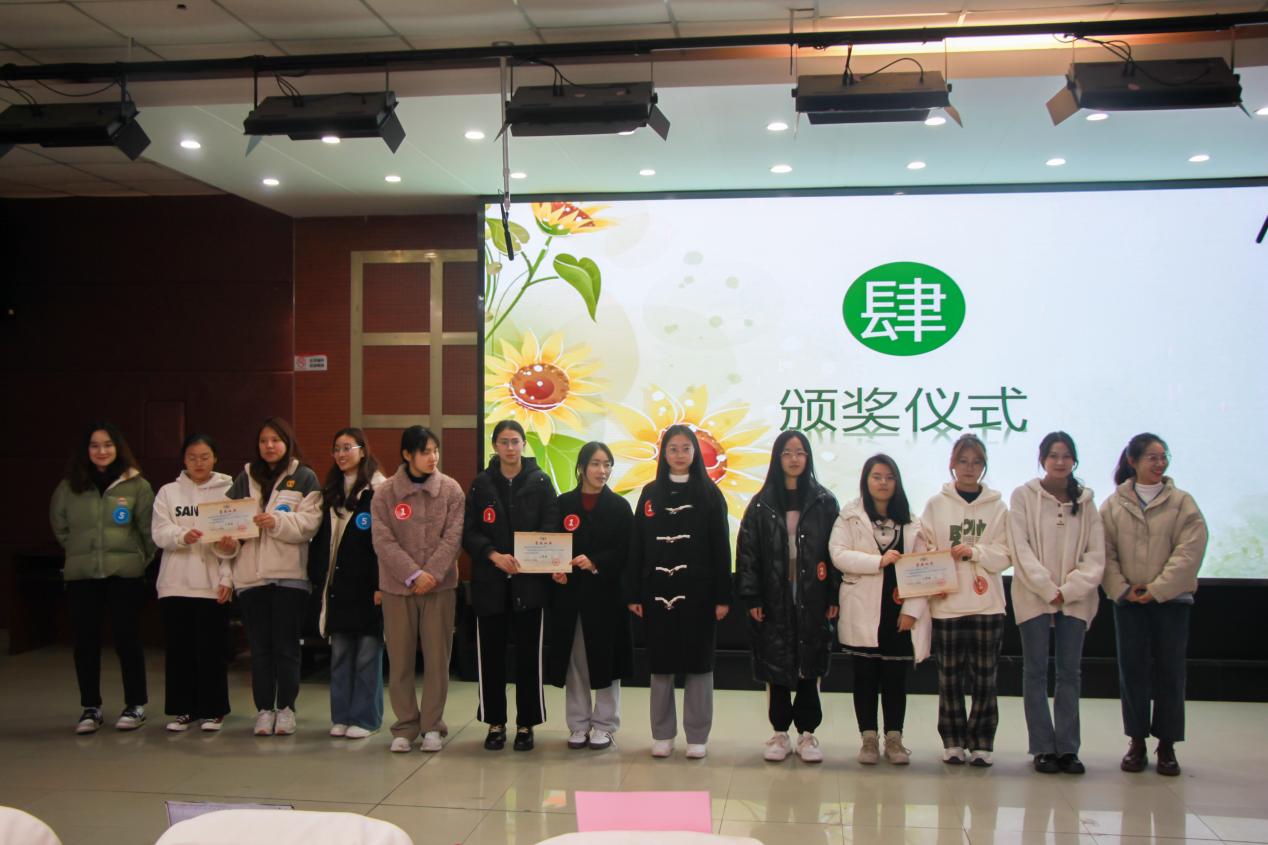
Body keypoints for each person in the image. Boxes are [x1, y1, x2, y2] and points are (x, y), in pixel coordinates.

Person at [1101, 432, 1207, 777]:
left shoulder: (1182, 503)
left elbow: (1190, 551)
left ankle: (1167, 745)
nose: (1159, 463)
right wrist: (1123, 589)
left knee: (1170, 672)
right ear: (1133, 461)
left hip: (1172, 602)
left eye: (1163, 457)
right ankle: (1136, 741)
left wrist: (1158, 589)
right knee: (1132, 672)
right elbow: (1104, 552)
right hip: (1129, 602)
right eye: (1152, 457)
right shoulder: (1113, 505)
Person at [625, 424, 732, 759]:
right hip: (657, 591)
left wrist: (723, 596)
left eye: (686, 448)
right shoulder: (650, 493)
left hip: (699, 592)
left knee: (699, 665)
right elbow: (637, 545)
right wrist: (634, 593)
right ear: (664, 453)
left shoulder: (710, 494)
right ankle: (662, 733)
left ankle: (697, 735)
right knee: (661, 664)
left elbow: (721, 548)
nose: (680, 454)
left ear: (695, 453)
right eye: (673, 448)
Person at [736, 431, 840, 764]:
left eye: (800, 452)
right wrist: (752, 597)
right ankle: (780, 732)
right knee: (776, 662)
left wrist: (834, 594)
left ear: (808, 458)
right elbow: (748, 553)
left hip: (813, 592)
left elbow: (837, 552)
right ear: (777, 458)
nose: (794, 459)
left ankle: (807, 734)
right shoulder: (761, 503)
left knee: (810, 661)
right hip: (774, 593)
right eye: (787, 453)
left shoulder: (824, 501)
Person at [50, 421, 157, 733]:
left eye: (108, 445)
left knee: (128, 641)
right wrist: (80, 552)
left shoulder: (136, 485)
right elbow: (61, 527)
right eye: (95, 445)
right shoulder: (69, 486)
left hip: (124, 575)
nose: (101, 451)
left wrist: (138, 560)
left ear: (118, 448)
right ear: (86, 451)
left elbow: (149, 531)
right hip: (83, 576)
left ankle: (135, 705)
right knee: (85, 644)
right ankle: (90, 708)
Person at [1008, 432, 1105, 775]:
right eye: (1053, 455)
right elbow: (1020, 548)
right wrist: (1048, 588)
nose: (1060, 462)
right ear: (1042, 459)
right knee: (1034, 671)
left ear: (1074, 460)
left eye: (1066, 456)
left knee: (1069, 673)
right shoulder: (1023, 496)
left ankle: (1068, 748)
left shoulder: (1087, 502)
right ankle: (1042, 748)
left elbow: (1096, 554)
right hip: (1034, 596)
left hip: (1075, 600)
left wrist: (1070, 590)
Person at [462, 420, 558, 752]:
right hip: (490, 584)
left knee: (529, 658)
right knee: (491, 658)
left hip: (529, 585)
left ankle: (527, 724)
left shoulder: (541, 481)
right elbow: (469, 531)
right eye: (504, 442)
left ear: (524, 445)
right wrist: (493, 555)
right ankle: (495, 723)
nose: (510, 448)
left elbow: (551, 525)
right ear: (494, 446)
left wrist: (531, 556)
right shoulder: (481, 484)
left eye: (515, 441)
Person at [829, 453, 930, 766]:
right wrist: (878, 561)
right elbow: (838, 554)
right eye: (877, 477)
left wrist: (912, 610)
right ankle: (868, 739)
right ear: (866, 480)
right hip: (863, 608)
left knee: (895, 679)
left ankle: (895, 739)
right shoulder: (850, 516)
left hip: (898, 611)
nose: (883, 483)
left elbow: (924, 569)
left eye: (889, 477)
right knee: (865, 678)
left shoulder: (912, 522)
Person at [224, 417, 322, 736]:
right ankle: (264, 710)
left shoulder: (304, 477)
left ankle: (287, 708)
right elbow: (226, 523)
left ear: (287, 443)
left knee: (286, 647)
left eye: (276, 440)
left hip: (290, 578)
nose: (269, 446)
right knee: (260, 649)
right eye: (264, 440)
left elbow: (310, 524)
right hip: (250, 578)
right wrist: (226, 542)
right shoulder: (244, 478)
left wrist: (276, 523)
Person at [920, 433, 1013, 767]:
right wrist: (935, 571)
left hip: (988, 605)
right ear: (952, 464)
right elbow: (924, 548)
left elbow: (1006, 554)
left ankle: (982, 743)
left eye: (976, 462)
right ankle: (953, 741)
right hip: (947, 604)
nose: (969, 468)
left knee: (985, 679)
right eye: (963, 461)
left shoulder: (998, 507)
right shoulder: (936, 504)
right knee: (949, 678)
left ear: (984, 466)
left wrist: (974, 552)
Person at [371, 426, 465, 753]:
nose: (432, 457)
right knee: (400, 660)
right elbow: (382, 540)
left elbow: (454, 537)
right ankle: (405, 726)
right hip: (397, 589)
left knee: (438, 660)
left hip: (439, 588)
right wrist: (412, 574)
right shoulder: (385, 493)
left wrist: (431, 574)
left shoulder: (451, 490)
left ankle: (432, 726)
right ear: (407, 455)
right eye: (425, 452)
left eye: (435, 451)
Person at [547, 442, 634, 752]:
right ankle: (578, 723)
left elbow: (627, 551)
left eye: (607, 464)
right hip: (570, 596)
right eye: (596, 464)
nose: (602, 470)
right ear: (582, 468)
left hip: (605, 596)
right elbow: (551, 544)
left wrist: (596, 562)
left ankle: (605, 725)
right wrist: (555, 570)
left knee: (607, 661)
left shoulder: (620, 507)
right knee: (575, 661)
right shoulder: (563, 504)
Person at [151, 433, 239, 732]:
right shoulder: (168, 492)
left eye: (204, 457)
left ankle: (214, 710)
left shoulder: (229, 491)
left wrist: (227, 576)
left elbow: (236, 540)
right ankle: (184, 709)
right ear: (183, 459)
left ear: (215, 458)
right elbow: (159, 532)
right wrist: (181, 536)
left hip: (211, 584)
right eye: (192, 457)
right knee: (180, 650)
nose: (198, 463)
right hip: (174, 583)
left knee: (212, 651)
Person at [309, 428, 387, 740]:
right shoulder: (330, 491)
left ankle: (366, 719)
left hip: (368, 587)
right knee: (340, 655)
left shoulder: (379, 490)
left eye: (348, 448)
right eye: (337, 449)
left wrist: (381, 584)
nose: (341, 454)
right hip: (337, 585)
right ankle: (341, 715)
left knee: (367, 656)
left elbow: (384, 543)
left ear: (363, 451)